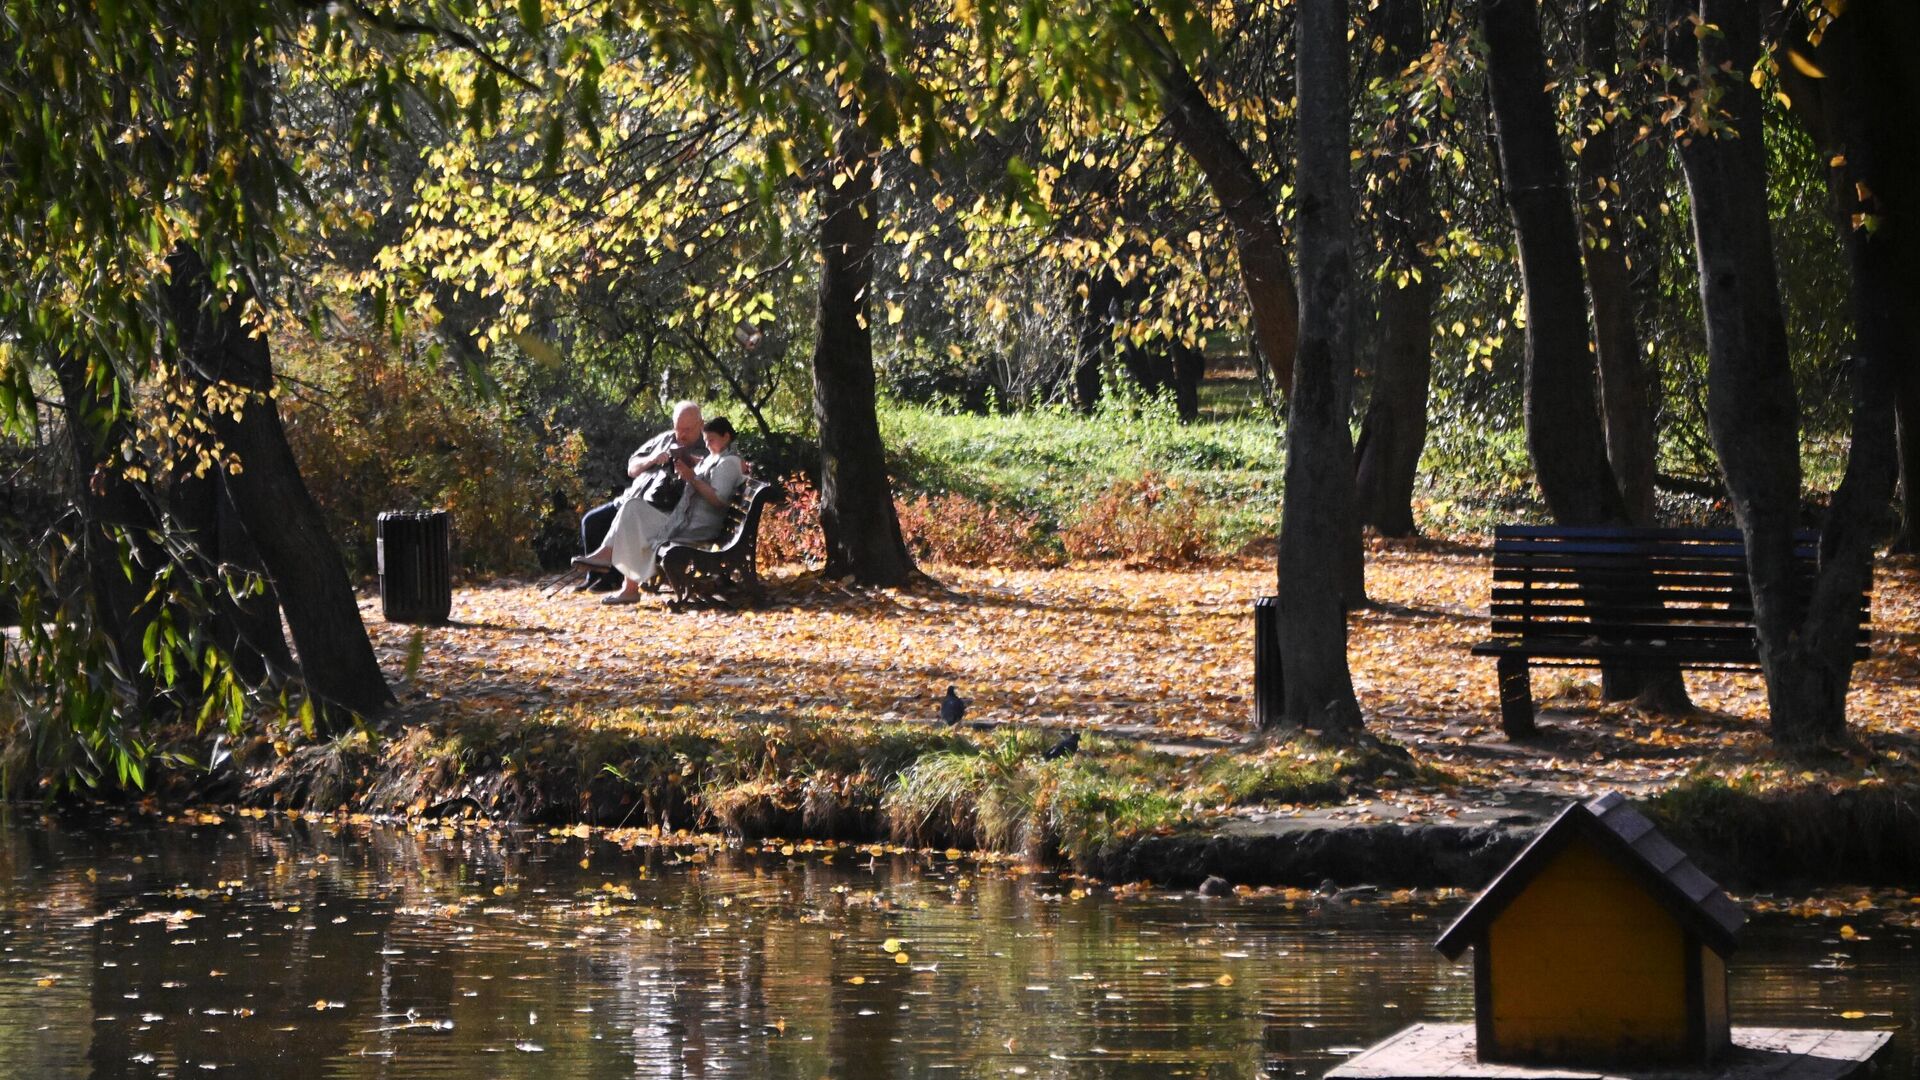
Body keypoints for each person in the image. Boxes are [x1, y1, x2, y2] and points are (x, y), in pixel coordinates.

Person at [574, 417, 744, 605]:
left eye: (711, 440)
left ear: (726, 436)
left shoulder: (729, 463)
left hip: (696, 526)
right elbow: (706, 472)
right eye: (705, 440)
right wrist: (688, 463)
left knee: (634, 514)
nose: (707, 444)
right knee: (632, 507)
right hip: (684, 519)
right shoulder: (717, 458)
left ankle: (620, 575)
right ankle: (615, 568)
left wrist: (692, 478)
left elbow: (719, 500)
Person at [573, 402, 707, 591]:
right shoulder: (665, 439)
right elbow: (632, 468)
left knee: (628, 519)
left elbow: (714, 467)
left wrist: (688, 461)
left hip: (658, 509)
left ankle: (613, 579)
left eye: (687, 429)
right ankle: (597, 577)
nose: (681, 435)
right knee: (592, 521)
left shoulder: (707, 445)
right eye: (677, 428)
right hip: (631, 499)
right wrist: (652, 459)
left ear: (701, 424)